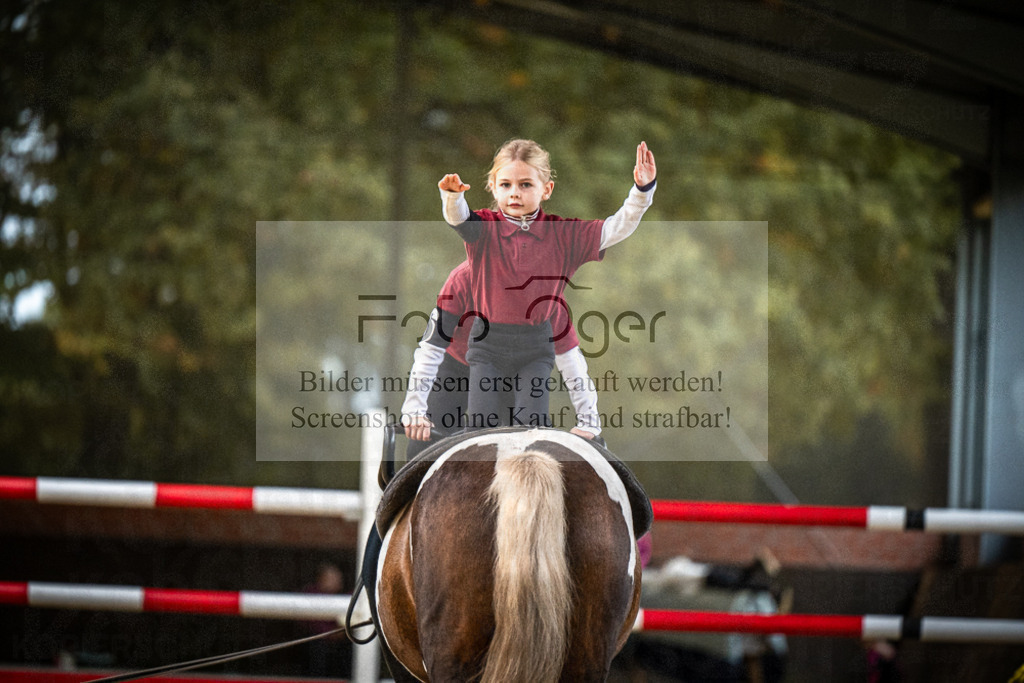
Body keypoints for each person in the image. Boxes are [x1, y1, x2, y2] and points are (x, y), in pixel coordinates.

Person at [439, 139, 656, 430]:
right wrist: (452, 197)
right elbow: (459, 218)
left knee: (532, 428)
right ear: (492, 186)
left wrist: (641, 192)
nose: (515, 193)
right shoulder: (484, 227)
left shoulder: (564, 234)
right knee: (480, 427)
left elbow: (617, 227)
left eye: (526, 185)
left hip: (535, 347)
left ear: (547, 189)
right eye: (506, 185)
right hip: (487, 345)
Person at [400, 259, 603, 458]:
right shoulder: (463, 279)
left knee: (524, 443)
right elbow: (430, 349)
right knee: (422, 446)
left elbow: (570, 360)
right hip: (455, 367)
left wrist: (588, 421)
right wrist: (414, 409)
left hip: (510, 373)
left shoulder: (545, 290)